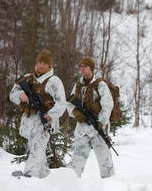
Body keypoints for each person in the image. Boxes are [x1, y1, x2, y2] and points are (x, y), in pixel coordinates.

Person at [9, 50, 66, 178]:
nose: (41, 65)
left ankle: (29, 176)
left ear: (49, 66)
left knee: (36, 147)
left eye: (45, 63)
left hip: (45, 120)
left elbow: (62, 103)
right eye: (40, 62)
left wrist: (51, 115)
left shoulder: (54, 81)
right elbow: (12, 94)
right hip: (29, 122)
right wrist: (20, 94)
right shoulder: (28, 78)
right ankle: (43, 176)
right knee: (37, 149)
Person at [66, 57, 115, 178]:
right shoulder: (78, 86)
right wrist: (75, 113)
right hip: (82, 128)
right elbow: (69, 104)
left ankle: (110, 185)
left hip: (98, 127)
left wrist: (101, 122)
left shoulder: (100, 85)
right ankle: (70, 182)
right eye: (81, 66)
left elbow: (108, 105)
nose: (82, 69)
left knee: (104, 160)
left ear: (91, 68)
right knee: (77, 159)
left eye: (85, 66)